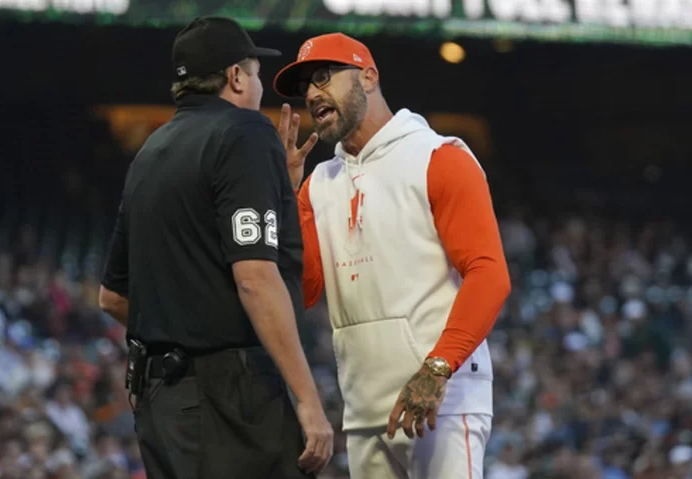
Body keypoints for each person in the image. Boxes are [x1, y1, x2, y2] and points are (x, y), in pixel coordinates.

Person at [97, 16, 333, 479]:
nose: (260, 83)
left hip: (159, 403)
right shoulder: (246, 132)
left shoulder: (151, 150)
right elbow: (255, 278)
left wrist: (275, 191)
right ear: (236, 76)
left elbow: (113, 296)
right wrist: (308, 401)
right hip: (229, 401)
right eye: (256, 71)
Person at [273, 33, 511, 479]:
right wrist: (288, 196)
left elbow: (489, 274)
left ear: (368, 76)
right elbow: (302, 292)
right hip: (364, 407)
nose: (310, 93)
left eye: (323, 76)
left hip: (443, 398)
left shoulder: (438, 157)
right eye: (305, 85)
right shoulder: (317, 184)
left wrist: (437, 370)